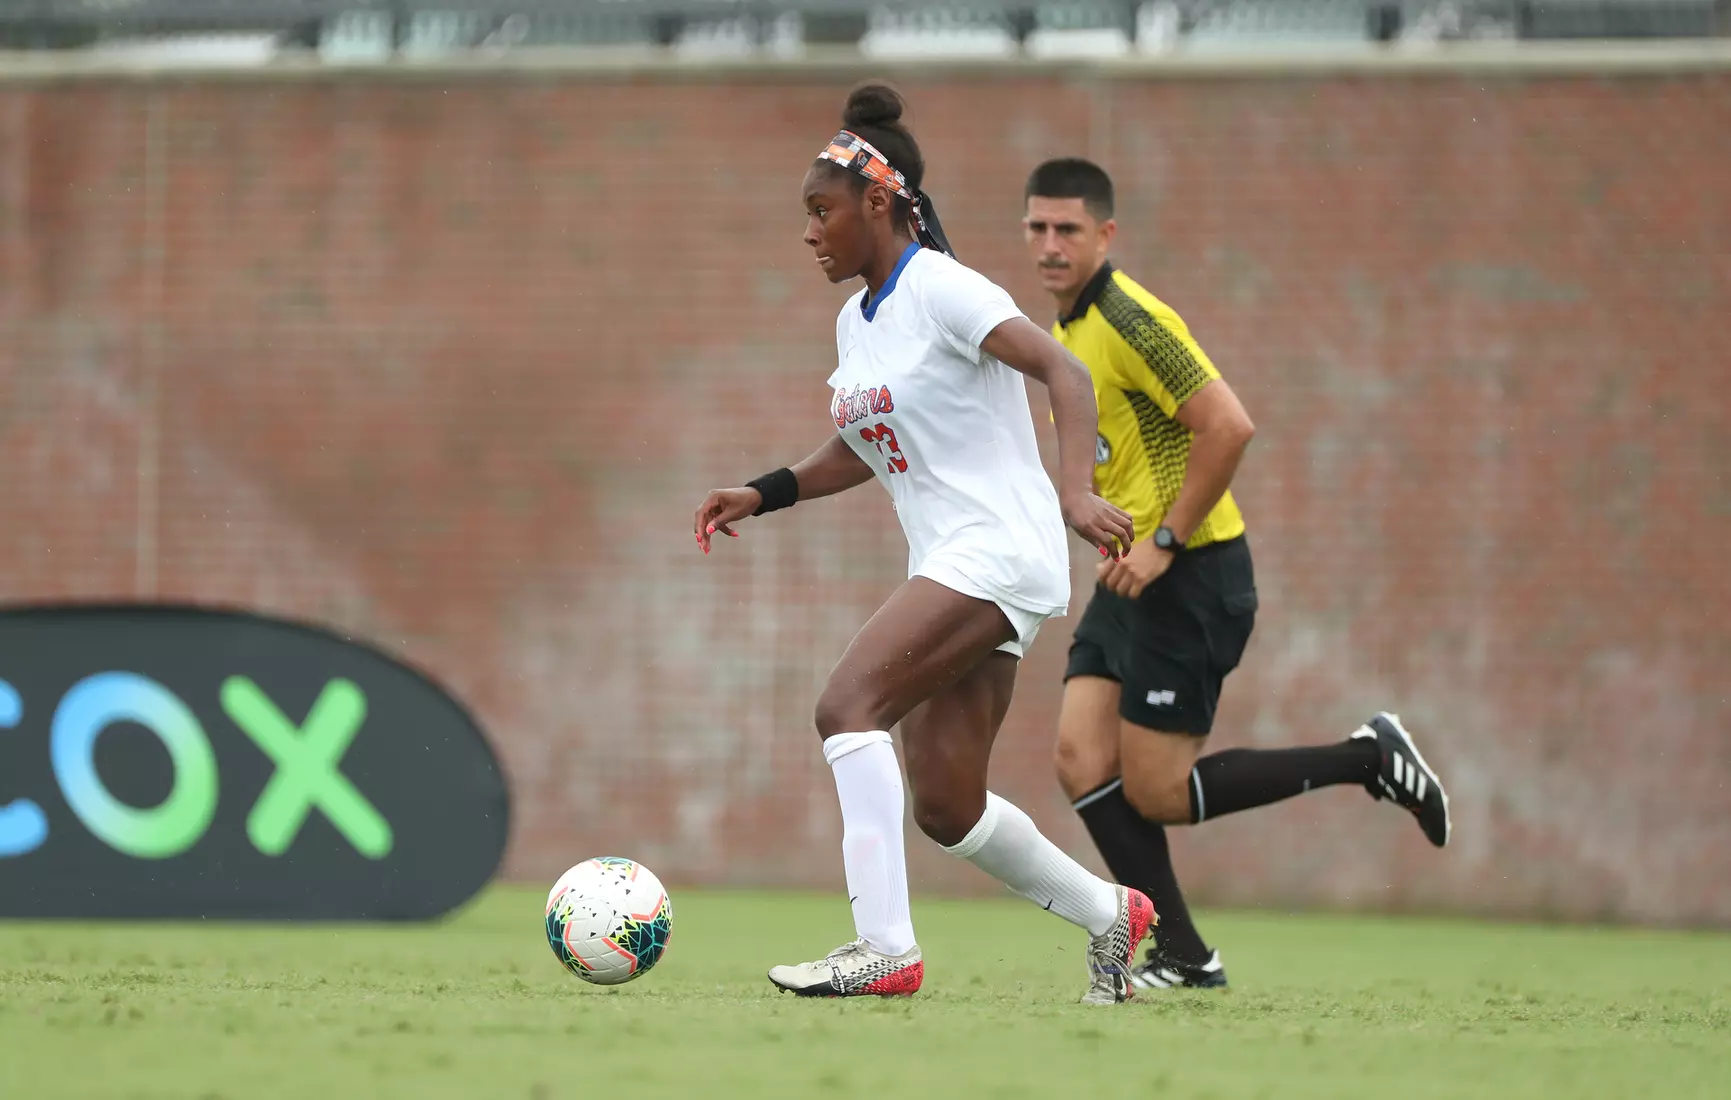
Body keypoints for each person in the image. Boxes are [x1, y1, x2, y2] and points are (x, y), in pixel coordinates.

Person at [693, 87, 1155, 1004]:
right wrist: (763, 490)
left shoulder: (942, 287)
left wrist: (1073, 492)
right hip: (964, 564)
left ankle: (883, 948)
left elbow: (1060, 369)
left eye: (821, 211)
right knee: (946, 806)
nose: (809, 231)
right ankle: (1113, 917)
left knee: (844, 709)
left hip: (994, 552)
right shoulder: (855, 320)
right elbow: (864, 448)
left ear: (878, 204)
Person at [1022, 158, 1452, 991]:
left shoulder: (1128, 317)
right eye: (1036, 227)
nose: (1048, 244)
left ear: (1104, 235)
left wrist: (1165, 544)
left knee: (1157, 791)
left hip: (1190, 574)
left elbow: (1229, 425)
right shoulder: (1067, 326)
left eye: (1067, 229)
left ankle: (1364, 758)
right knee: (1079, 757)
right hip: (1130, 577)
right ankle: (1182, 952)